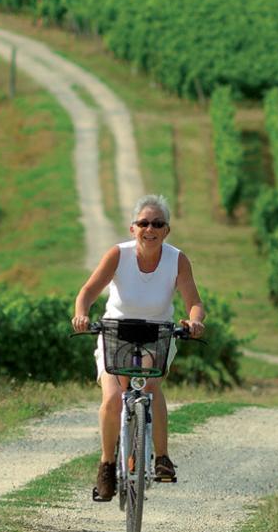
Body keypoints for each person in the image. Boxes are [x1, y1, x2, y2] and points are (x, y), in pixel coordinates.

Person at [72, 194, 206, 502]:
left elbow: (194, 303)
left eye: (157, 224)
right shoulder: (118, 255)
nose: (150, 229)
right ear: (133, 228)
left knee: (150, 385)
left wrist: (194, 321)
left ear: (166, 230)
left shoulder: (177, 260)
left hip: (157, 333)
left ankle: (161, 457)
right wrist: (81, 314)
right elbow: (88, 291)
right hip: (115, 331)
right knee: (112, 399)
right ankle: (107, 465)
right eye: (144, 223)